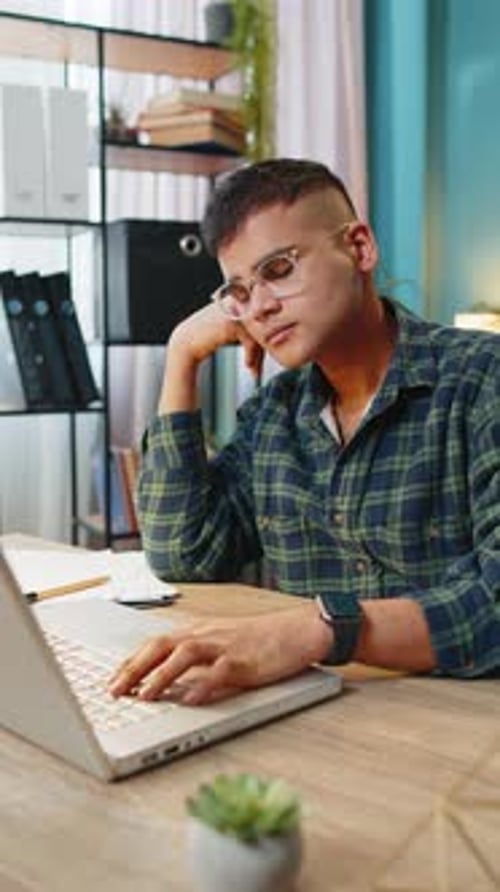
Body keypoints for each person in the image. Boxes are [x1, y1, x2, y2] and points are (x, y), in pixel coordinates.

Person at [109, 158, 500, 706]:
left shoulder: (483, 381)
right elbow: (184, 554)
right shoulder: (274, 415)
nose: (261, 308)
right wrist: (181, 356)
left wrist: (315, 628)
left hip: (462, 732)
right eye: (239, 292)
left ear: (359, 248)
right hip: (318, 719)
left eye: (278, 270)